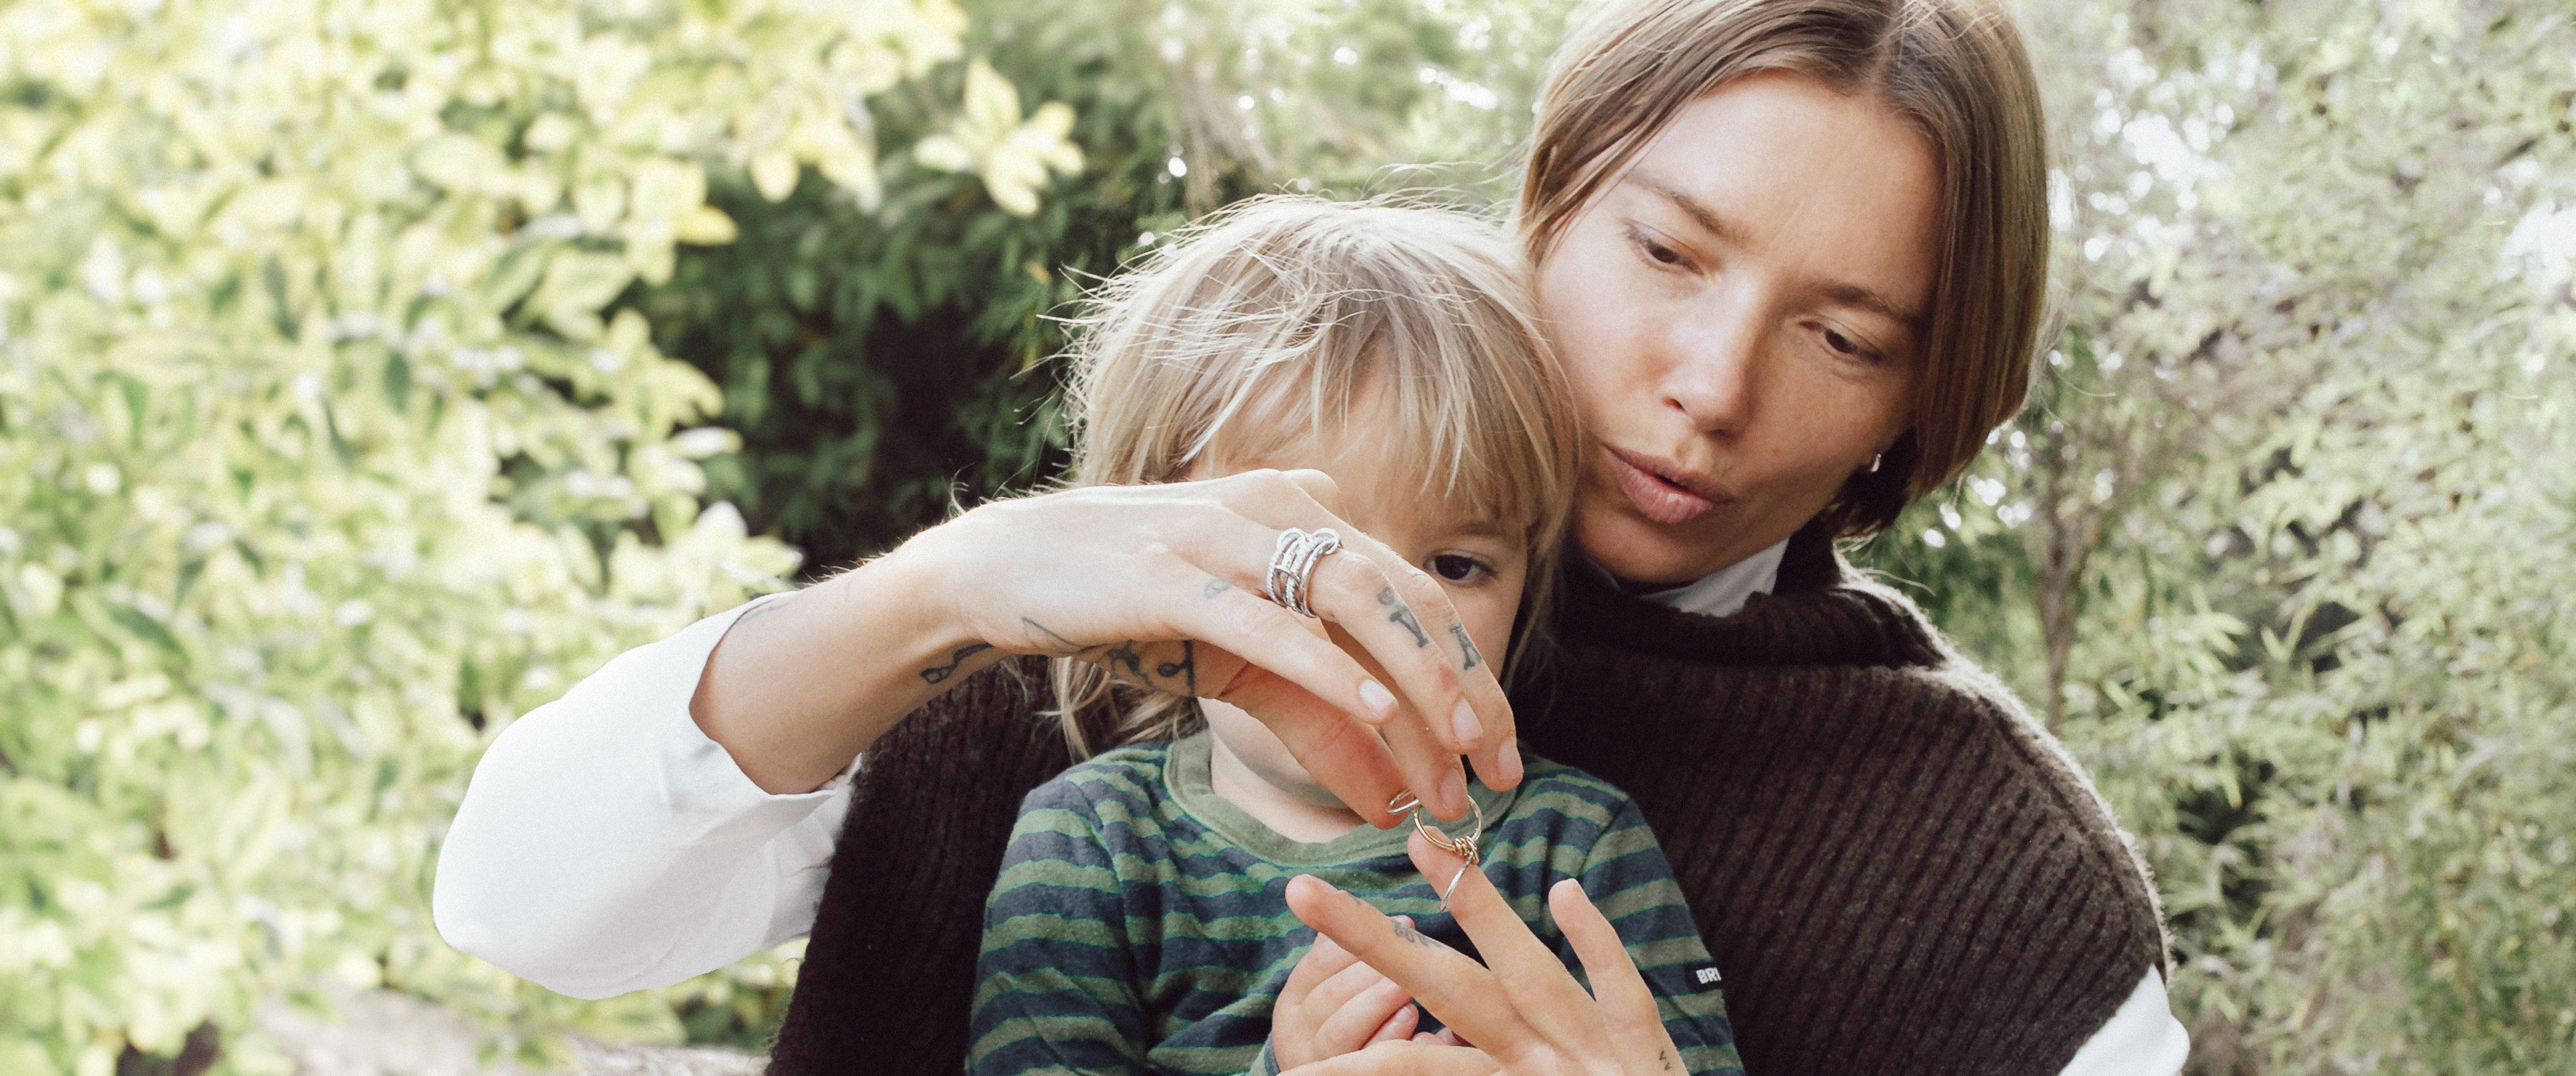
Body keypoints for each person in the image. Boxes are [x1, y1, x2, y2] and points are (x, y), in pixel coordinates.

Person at [433, 0, 2188, 1072]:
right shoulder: (1112, 606)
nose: (1707, 384)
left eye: (1844, 333)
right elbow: (526, 909)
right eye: (1665, 250)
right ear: (1550, 195)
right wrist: (946, 588)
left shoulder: (1999, 882)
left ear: (1924, 395)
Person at [958, 196, 1738, 1074]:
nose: (1376, 615)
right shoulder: (1095, 841)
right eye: (1306, 556)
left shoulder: (1578, 844)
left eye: (1454, 565)